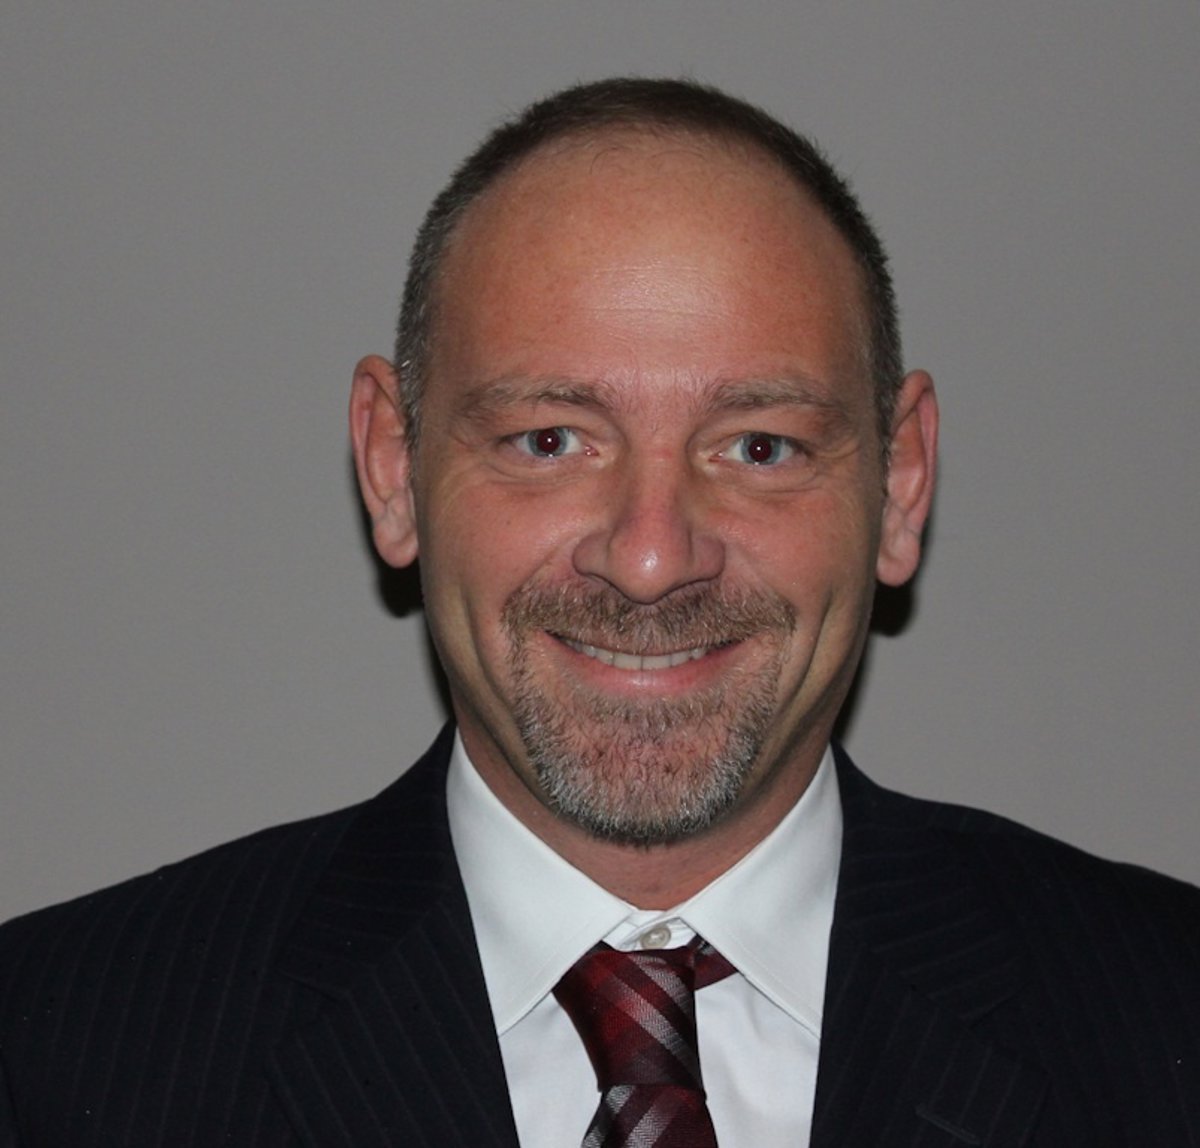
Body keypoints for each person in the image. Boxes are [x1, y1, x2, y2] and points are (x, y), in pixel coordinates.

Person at [1, 77, 1197, 1148]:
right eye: (550, 439)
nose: (650, 556)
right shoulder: (53, 1050)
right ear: (392, 466)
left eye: (760, 444)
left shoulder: (1166, 1018)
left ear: (901, 482)